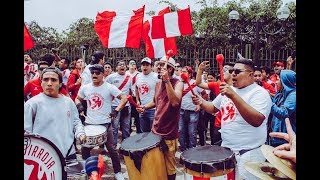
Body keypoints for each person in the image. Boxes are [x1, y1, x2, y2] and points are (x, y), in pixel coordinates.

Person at [192, 59, 272, 179]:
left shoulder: (259, 93)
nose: (233, 73)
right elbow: (213, 108)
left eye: (237, 71)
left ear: (250, 74)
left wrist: (233, 96)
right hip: (227, 151)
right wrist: (201, 102)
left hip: (249, 154)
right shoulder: (229, 90)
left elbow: (257, 121)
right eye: (232, 71)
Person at [75, 64, 127, 180]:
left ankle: (118, 172)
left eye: (97, 73)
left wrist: (116, 110)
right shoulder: (86, 87)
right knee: (85, 148)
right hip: (89, 123)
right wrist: (79, 106)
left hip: (105, 123)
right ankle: (88, 171)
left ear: (103, 75)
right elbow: (77, 98)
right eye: (92, 72)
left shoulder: (109, 87)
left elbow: (124, 98)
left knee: (112, 149)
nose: (94, 75)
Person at [24, 67, 86, 161]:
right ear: (41, 83)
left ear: (60, 84)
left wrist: (81, 134)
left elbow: (76, 122)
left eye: (53, 80)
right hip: (43, 159)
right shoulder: (32, 104)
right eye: (45, 79)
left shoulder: (68, 102)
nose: (49, 83)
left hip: (68, 153)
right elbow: (27, 133)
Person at [137, 56, 183, 180]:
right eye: (158, 65)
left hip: (169, 133)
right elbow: (155, 102)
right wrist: (144, 107)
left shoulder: (178, 83)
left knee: (170, 168)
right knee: (157, 165)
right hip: (155, 131)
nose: (158, 67)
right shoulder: (157, 84)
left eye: (163, 65)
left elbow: (174, 102)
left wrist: (167, 81)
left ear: (170, 69)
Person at [269, 70, 296, 147]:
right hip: (277, 136)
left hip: (285, 138)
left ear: (285, 82)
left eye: (278, 80)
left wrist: (268, 101)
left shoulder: (293, 95)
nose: (276, 82)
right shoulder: (281, 93)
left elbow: (283, 113)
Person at [135, 57, 158, 132]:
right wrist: (137, 100)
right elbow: (136, 88)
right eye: (143, 65)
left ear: (151, 67)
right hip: (142, 109)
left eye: (147, 65)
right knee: (144, 133)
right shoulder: (138, 76)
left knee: (154, 133)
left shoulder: (156, 76)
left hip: (153, 110)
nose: (145, 67)